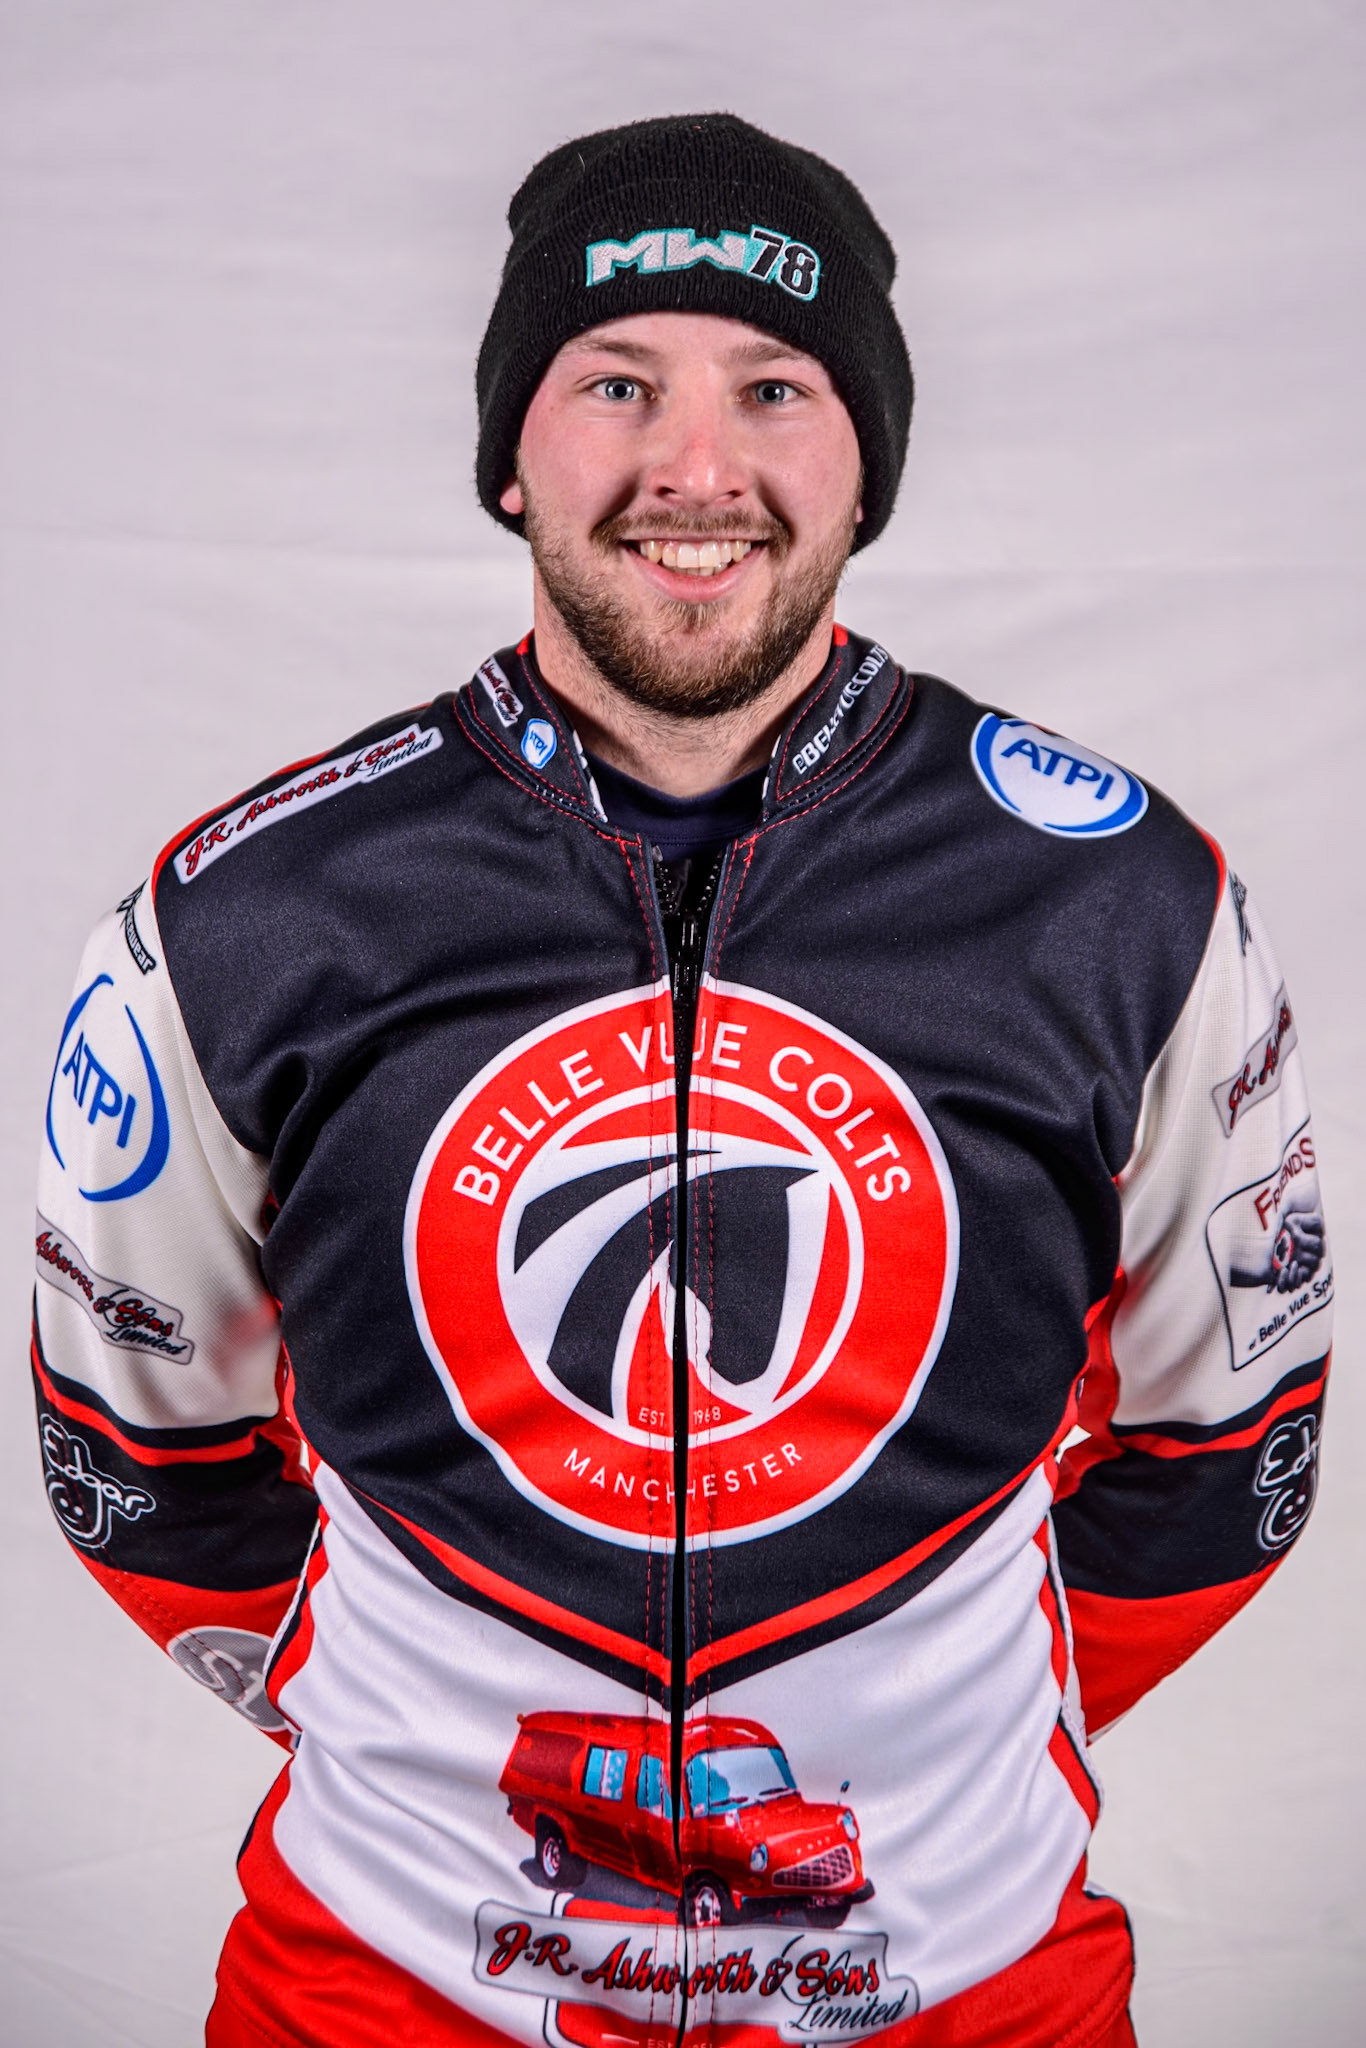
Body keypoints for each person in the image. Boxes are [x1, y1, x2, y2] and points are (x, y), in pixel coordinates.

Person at [32, 113, 1333, 2048]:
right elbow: (133, 1457)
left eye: (774, 389)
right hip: (374, 1989)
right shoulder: (244, 912)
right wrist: (397, 1712)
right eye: (616, 381)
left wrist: (943, 1727)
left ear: (864, 462)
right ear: (511, 451)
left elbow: (1233, 1446)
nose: (695, 468)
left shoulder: (1124, 900)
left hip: (974, 1991)